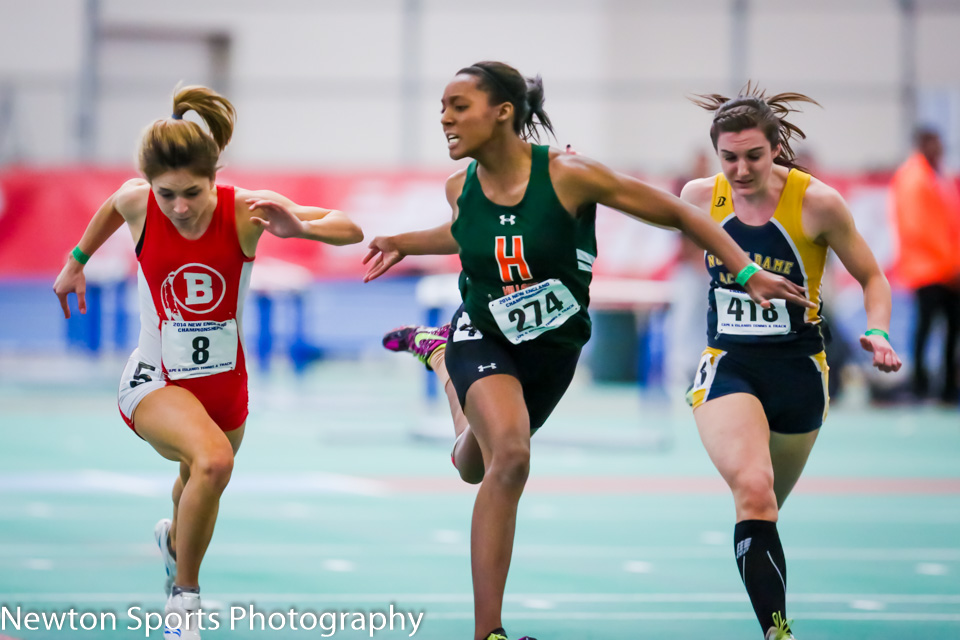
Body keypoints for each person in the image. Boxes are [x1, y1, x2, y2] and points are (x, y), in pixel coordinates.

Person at [362, 61, 810, 640]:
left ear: (503, 113)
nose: (444, 117)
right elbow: (466, 231)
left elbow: (676, 212)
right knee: (512, 458)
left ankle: (441, 358)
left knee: (474, 464)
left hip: (553, 349)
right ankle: (488, 633)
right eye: (442, 106)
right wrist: (401, 241)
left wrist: (745, 269)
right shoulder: (461, 186)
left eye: (458, 105)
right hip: (485, 330)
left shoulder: (570, 175)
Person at [53, 85, 363, 639]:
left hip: (226, 386)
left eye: (192, 193)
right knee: (214, 462)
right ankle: (185, 605)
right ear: (151, 185)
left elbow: (350, 226)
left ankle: (174, 544)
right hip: (154, 379)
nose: (179, 208)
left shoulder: (246, 209)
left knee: (197, 478)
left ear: (214, 177)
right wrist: (76, 261)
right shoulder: (136, 202)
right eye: (166, 194)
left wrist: (300, 225)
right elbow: (110, 208)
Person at [682, 86, 902, 640]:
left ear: (777, 147)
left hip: (800, 372)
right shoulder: (699, 196)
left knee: (766, 505)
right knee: (754, 489)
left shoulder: (817, 203)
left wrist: (876, 331)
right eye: (728, 157)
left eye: (752, 155)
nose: (740, 169)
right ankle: (778, 633)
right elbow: (633, 203)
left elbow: (872, 277)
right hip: (728, 362)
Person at [890, 127, 960, 404]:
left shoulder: (939, 176)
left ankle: (946, 388)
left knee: (952, 329)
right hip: (928, 269)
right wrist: (951, 265)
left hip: (946, 269)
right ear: (923, 144)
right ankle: (919, 386)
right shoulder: (913, 177)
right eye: (935, 142)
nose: (940, 148)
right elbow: (919, 229)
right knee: (925, 328)